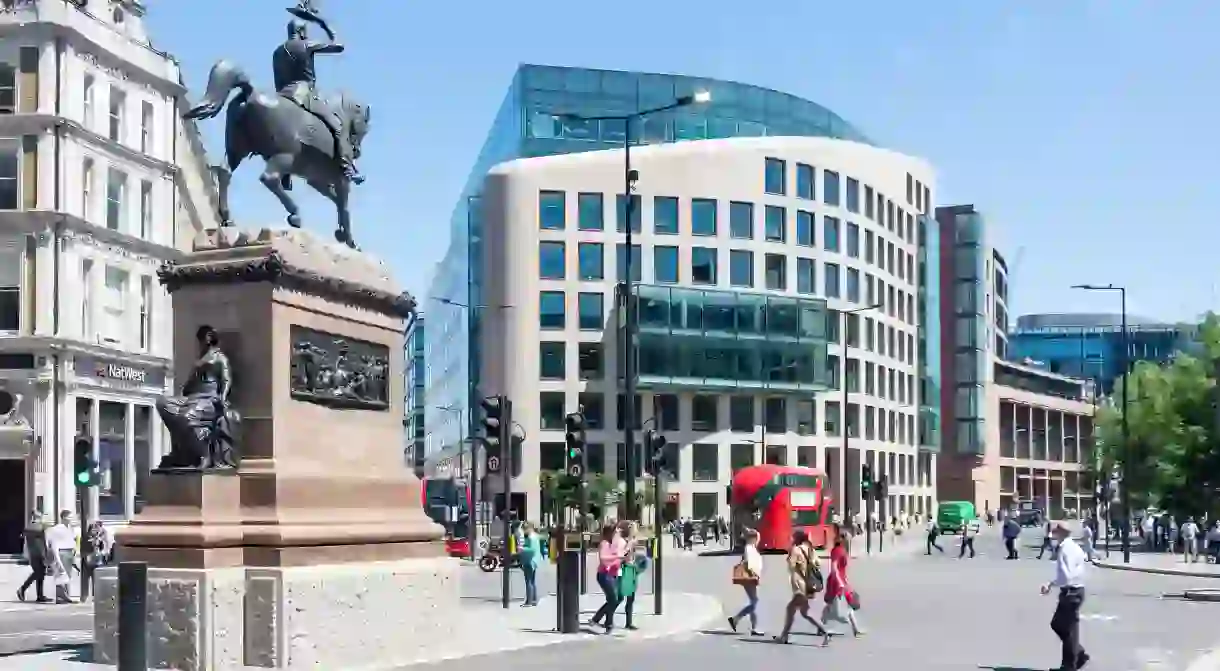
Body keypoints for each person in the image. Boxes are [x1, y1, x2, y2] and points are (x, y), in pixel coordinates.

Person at [1040, 521, 1090, 671]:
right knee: (1066, 628)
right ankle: (1077, 656)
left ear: (1060, 533)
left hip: (1070, 592)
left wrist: (1050, 583)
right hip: (1078, 590)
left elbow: (1066, 576)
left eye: (1055, 532)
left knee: (1064, 628)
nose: (1054, 535)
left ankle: (1070, 665)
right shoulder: (1075, 547)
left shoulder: (1064, 549)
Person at [774, 530, 831, 646]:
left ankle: (784, 636)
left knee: (791, 609)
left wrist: (790, 553)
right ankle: (825, 633)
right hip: (809, 585)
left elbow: (791, 565)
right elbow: (818, 563)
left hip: (800, 585)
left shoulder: (796, 550)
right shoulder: (810, 549)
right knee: (805, 612)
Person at [822, 532, 864, 637]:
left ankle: (856, 629)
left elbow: (842, 568)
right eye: (847, 538)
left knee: (847, 603)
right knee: (833, 605)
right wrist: (840, 582)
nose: (849, 540)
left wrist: (846, 580)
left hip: (841, 580)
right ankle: (821, 626)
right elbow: (834, 568)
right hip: (836, 582)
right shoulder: (837, 551)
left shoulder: (843, 550)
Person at [589, 524, 626, 633]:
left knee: (616, 598)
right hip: (604, 575)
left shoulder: (614, 544)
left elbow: (622, 553)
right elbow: (603, 558)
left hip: (613, 573)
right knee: (613, 599)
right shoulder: (604, 543)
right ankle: (603, 621)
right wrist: (617, 557)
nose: (616, 534)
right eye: (614, 532)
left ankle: (602, 621)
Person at [727, 528, 764, 636]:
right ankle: (736, 619)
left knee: (754, 601)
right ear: (752, 538)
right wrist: (755, 574)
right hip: (750, 577)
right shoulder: (749, 548)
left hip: (752, 577)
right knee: (754, 602)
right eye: (756, 538)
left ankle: (754, 628)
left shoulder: (752, 547)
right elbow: (748, 563)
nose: (758, 540)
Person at [46, 510, 77, 604]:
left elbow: (73, 539)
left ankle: (66, 595)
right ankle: (60, 597)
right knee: (61, 573)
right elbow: (52, 543)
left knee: (67, 575)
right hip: (61, 552)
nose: (71, 519)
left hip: (69, 552)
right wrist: (56, 557)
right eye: (69, 517)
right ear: (63, 518)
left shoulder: (70, 528)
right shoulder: (57, 529)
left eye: (72, 517)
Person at [18, 512, 50, 603]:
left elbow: (24, 538)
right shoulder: (38, 528)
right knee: (39, 573)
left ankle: (40, 595)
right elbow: (42, 543)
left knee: (40, 574)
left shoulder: (29, 527)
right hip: (38, 553)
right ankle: (22, 589)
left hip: (33, 553)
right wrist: (45, 555)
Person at [617, 521, 641, 630]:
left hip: (631, 570)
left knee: (630, 597)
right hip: (625, 570)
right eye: (635, 528)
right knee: (619, 597)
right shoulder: (624, 541)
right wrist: (629, 546)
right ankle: (601, 618)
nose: (637, 530)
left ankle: (628, 622)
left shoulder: (633, 541)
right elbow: (622, 556)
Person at [518, 522, 541, 607]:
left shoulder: (531, 538)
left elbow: (532, 549)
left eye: (524, 529)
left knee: (528, 581)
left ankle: (529, 601)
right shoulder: (534, 536)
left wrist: (522, 549)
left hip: (529, 561)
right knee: (532, 581)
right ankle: (534, 600)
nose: (523, 531)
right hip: (534, 561)